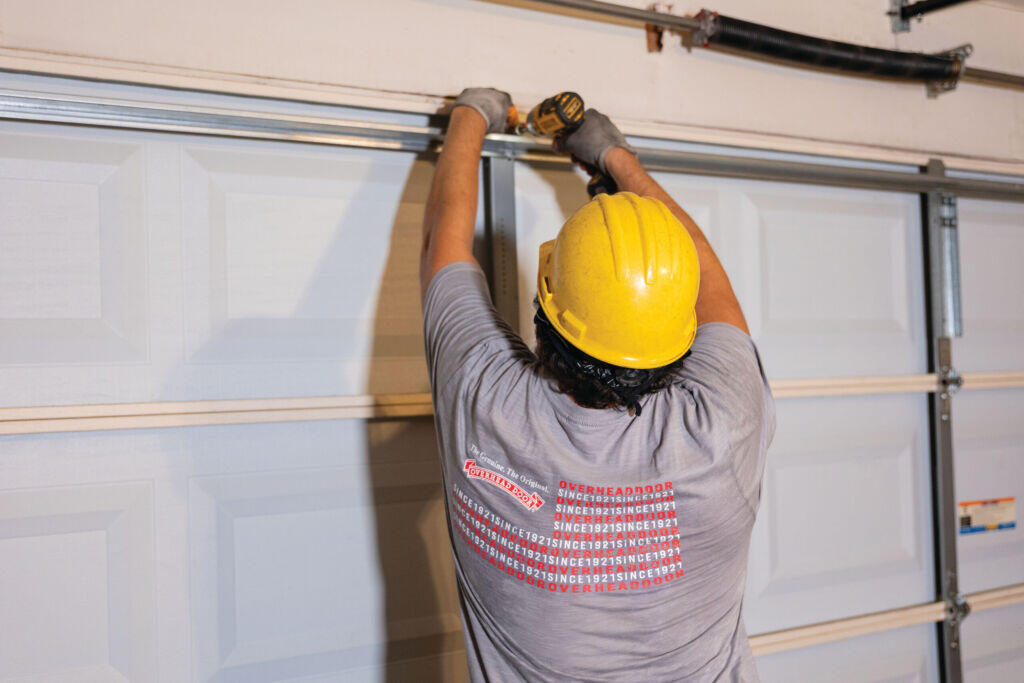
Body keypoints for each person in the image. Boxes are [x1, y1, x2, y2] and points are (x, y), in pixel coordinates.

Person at [420, 87, 776, 682]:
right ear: (679, 334)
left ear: (545, 303)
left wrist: (473, 114)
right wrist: (614, 156)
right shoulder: (723, 425)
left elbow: (442, 246)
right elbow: (709, 280)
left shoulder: (483, 401)